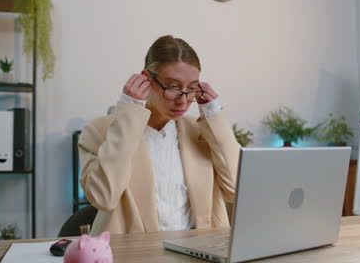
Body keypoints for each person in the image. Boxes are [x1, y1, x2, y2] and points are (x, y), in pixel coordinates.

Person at [78, 35, 240, 236]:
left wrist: (215, 116)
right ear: (146, 78)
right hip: (135, 253)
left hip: (199, 250)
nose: (183, 100)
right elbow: (103, 197)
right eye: (172, 87)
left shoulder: (200, 132)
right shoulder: (99, 130)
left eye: (191, 89)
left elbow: (236, 190)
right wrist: (130, 113)